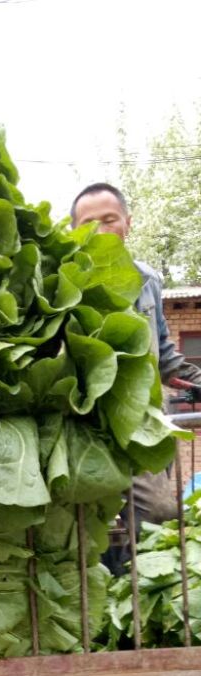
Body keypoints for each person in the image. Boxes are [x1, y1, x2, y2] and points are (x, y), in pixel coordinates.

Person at [71, 182, 201, 532]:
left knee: (159, 513)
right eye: (88, 223)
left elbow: (166, 356)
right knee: (87, 524)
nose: (100, 229)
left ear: (128, 222)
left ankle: (133, 586)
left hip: (140, 421)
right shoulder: (64, 279)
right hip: (84, 422)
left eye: (109, 219)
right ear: (73, 231)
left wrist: (196, 383)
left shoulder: (147, 281)